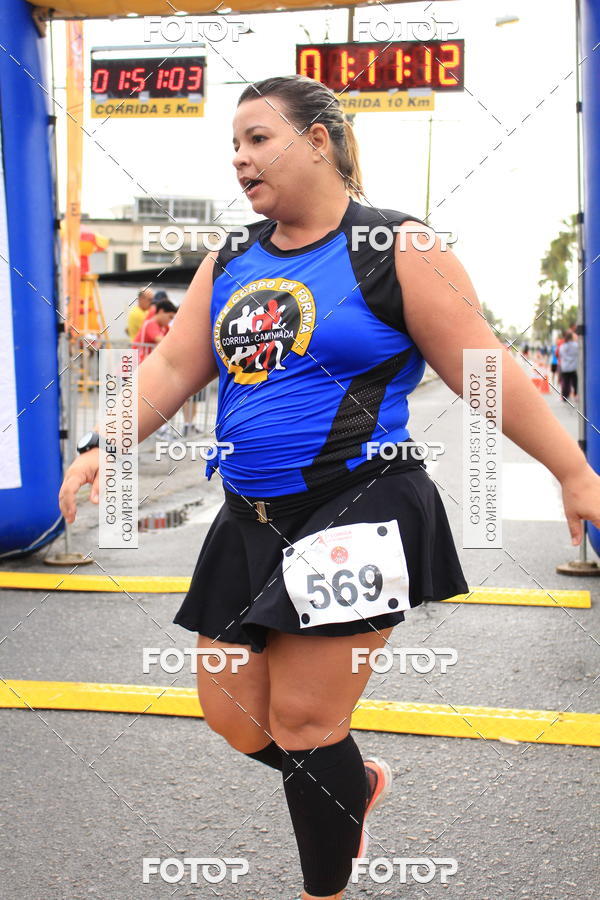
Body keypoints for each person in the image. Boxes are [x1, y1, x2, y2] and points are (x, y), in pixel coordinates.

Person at [58, 74, 600, 900]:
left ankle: (325, 886)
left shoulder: (395, 248)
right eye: (233, 147)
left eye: (258, 138)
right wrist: (107, 442)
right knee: (236, 717)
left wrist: (573, 470)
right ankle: (353, 784)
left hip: (360, 500)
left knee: (307, 721)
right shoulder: (232, 258)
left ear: (320, 138)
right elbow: (172, 364)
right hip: (249, 514)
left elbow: (484, 374)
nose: (240, 159)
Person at [132, 298, 177, 362]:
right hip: (140, 360)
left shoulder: (163, 327)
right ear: (161, 311)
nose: (170, 321)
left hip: (146, 360)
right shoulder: (151, 324)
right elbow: (161, 340)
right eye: (170, 317)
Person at [558, 329, 579, 401]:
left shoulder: (562, 346)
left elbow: (560, 355)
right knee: (575, 382)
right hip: (573, 367)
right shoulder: (575, 345)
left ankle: (564, 397)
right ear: (571, 337)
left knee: (565, 383)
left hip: (565, 367)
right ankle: (576, 395)